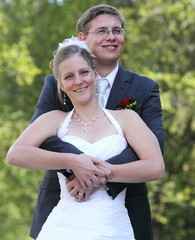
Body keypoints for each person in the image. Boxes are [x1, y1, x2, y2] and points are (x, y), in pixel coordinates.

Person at [6, 38, 165, 240]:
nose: (79, 81)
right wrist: (73, 161)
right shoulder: (55, 120)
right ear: (61, 85)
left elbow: (156, 166)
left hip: (113, 227)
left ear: (95, 74)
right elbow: (15, 154)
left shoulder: (126, 118)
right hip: (62, 228)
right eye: (69, 76)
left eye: (84, 72)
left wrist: (100, 173)